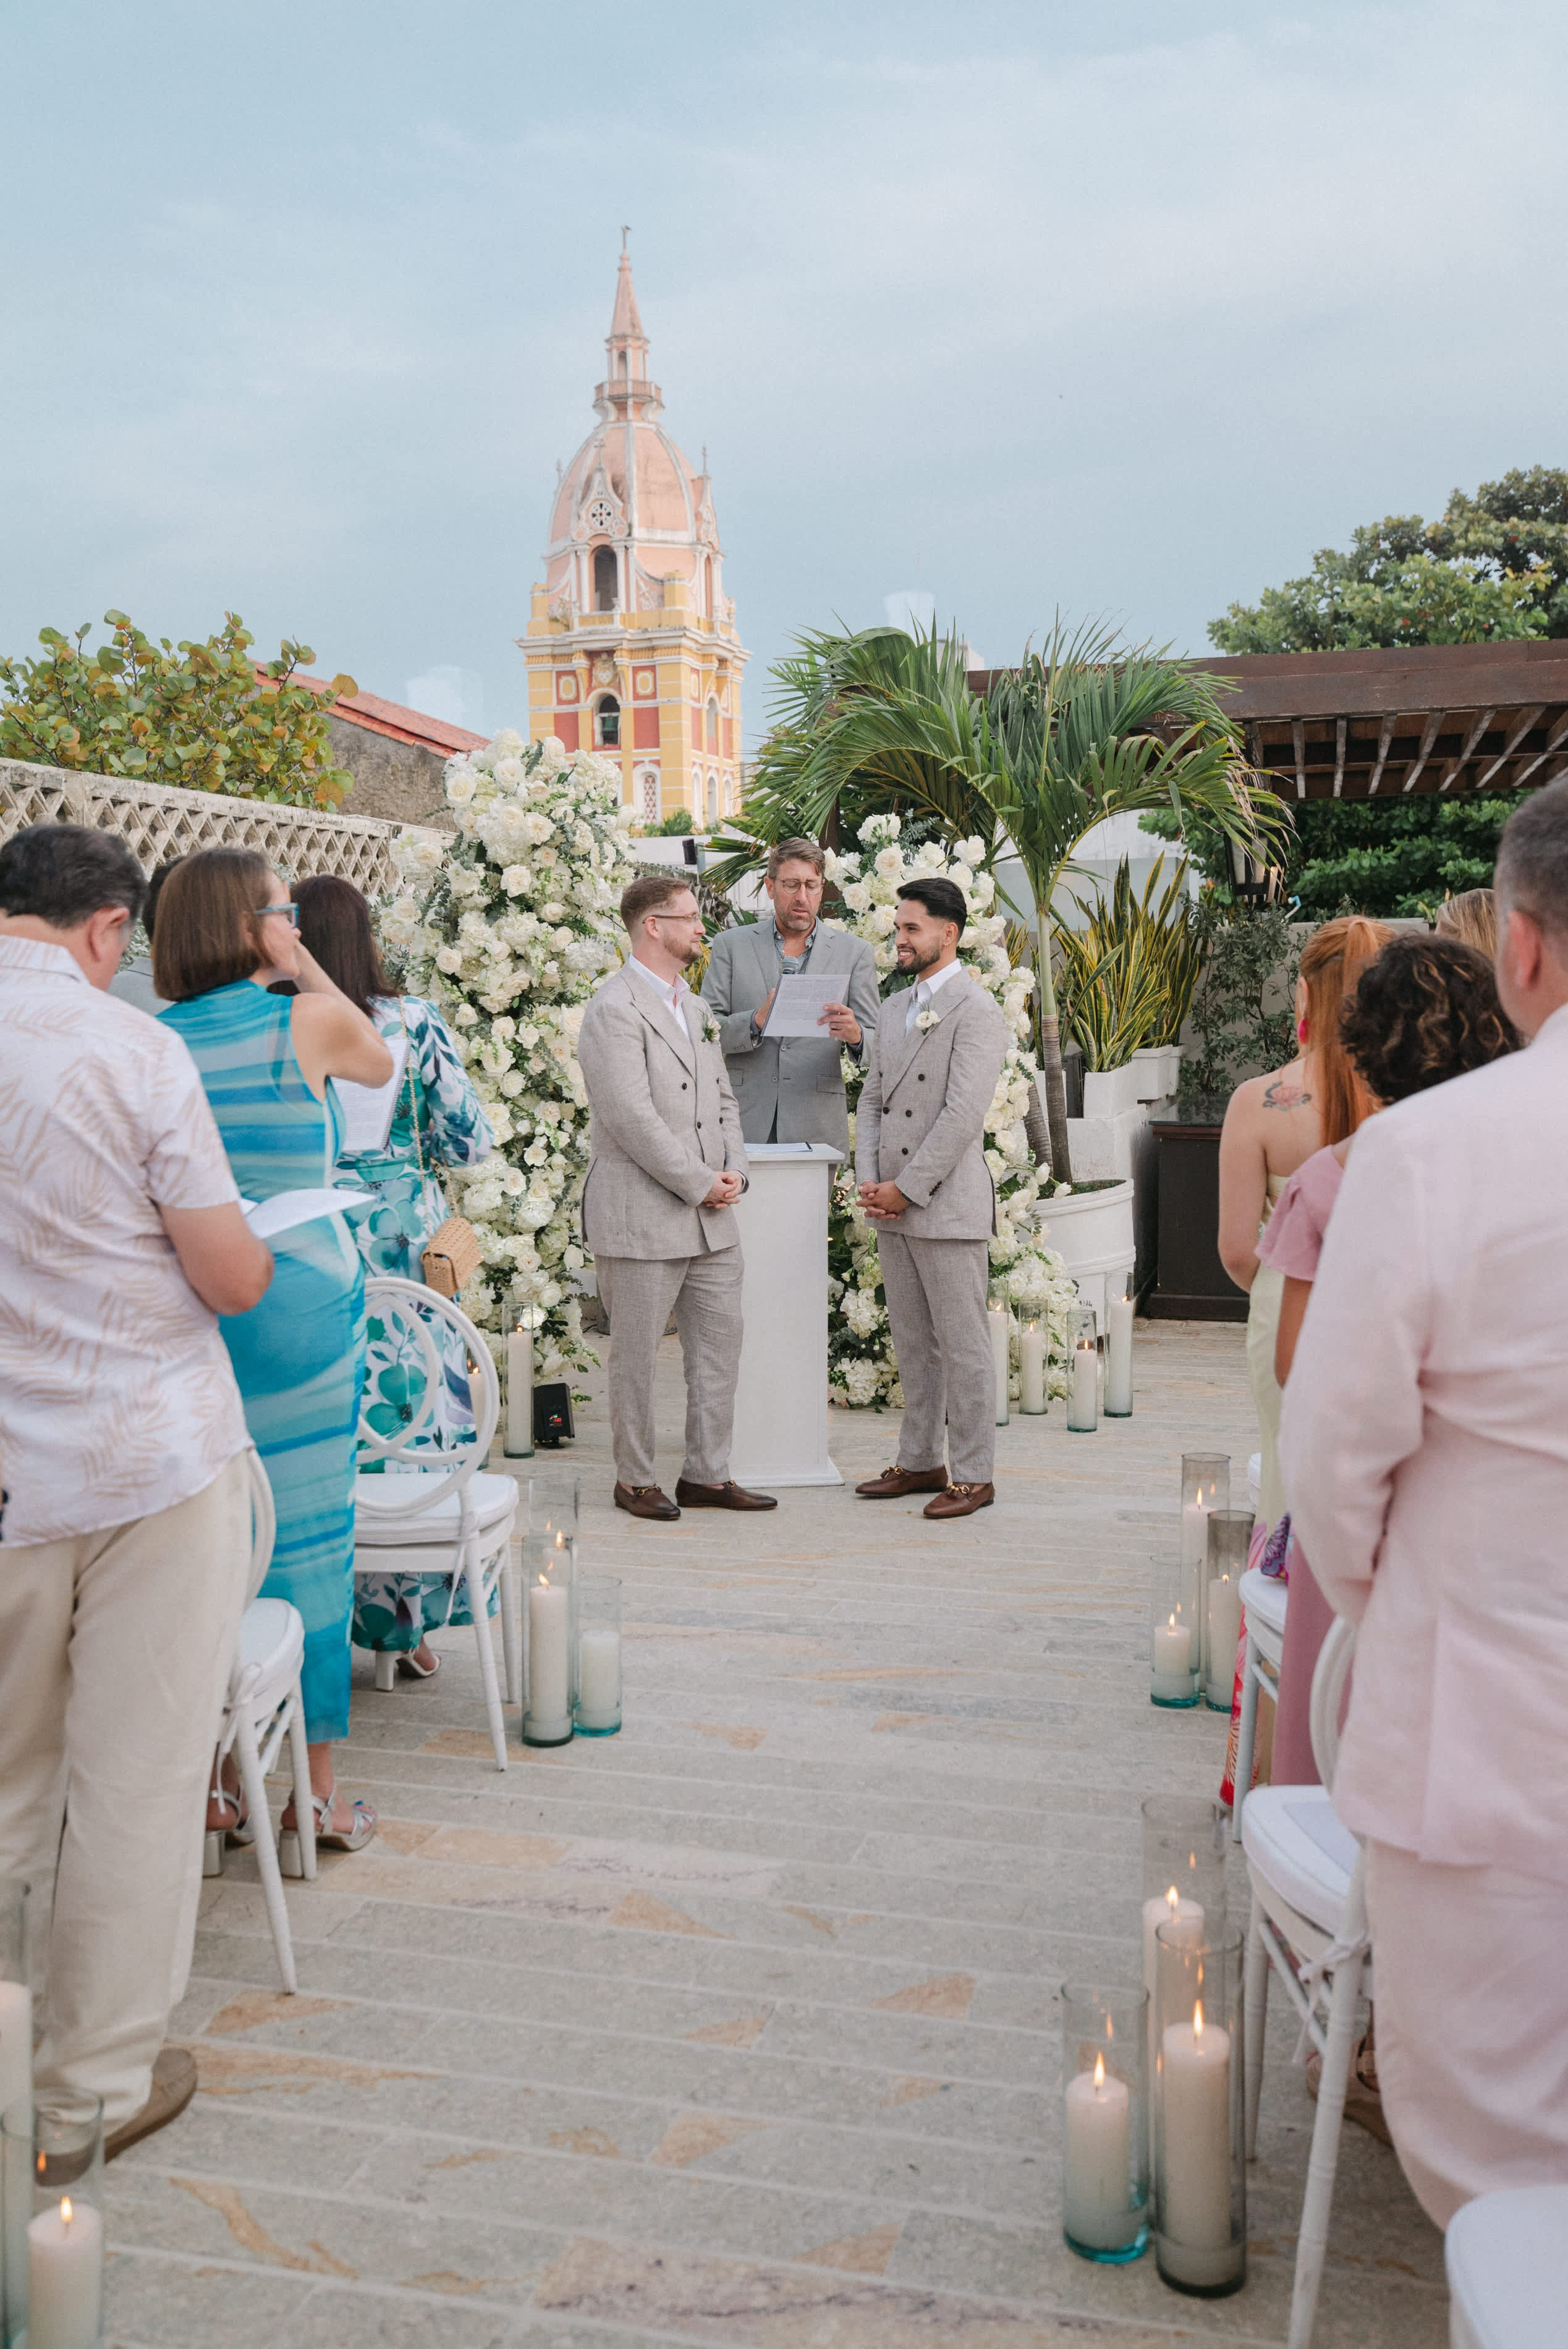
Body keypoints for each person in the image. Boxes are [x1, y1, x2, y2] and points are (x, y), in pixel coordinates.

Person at [1281, 776, 1568, 2227]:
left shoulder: (1434, 1149)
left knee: (1502, 2181)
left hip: (1494, 1725)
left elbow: (1333, 1451)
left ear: (1519, 944)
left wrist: (1398, 1596)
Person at [0, 823, 273, 2151]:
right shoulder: (130, 1049)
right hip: (139, 1463)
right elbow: (228, 1277)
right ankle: (83, 2090)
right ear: (111, 930)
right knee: (132, 1778)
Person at [156, 848, 393, 1868]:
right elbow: (378, 1062)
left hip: (189, 1304)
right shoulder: (307, 1018)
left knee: (207, 1529)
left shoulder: (150, 1039)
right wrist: (304, 962)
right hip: (300, 1300)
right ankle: (316, 1796)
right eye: (282, 908)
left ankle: (214, 1781)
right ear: (257, 924)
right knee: (309, 1537)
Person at [294, 873, 496, 1679]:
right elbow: (470, 1140)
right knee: (410, 1424)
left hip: (306, 1237)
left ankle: (314, 1610)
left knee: (327, 1423)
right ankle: (404, 1621)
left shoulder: (280, 1022)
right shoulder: (411, 1024)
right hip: (402, 1245)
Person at [577, 872, 775, 1521]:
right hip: (641, 1210)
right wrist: (699, 1181)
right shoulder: (612, 1008)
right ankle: (633, 1478)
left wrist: (737, 1173)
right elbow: (630, 1117)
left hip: (712, 1218)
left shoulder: (693, 1008)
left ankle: (707, 1474)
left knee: (719, 1348)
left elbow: (723, 1098)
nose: (700, 929)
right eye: (689, 918)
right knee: (635, 1355)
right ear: (652, 926)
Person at [1218, 915, 1391, 1529]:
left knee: (1287, 1479)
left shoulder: (1257, 1100)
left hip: (1281, 1305)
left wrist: (1276, 1288)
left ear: (1304, 992)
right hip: (1386, 1309)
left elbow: (1238, 1249)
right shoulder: (1408, 1096)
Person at [854, 877, 1009, 1521]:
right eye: (897, 927)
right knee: (913, 1342)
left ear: (948, 933)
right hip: (889, 1201)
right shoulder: (892, 1009)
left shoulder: (977, 1010)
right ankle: (920, 1459)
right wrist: (870, 1180)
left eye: (911, 927)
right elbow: (870, 1098)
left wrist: (905, 1188)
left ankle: (974, 1473)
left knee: (963, 1343)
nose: (899, 939)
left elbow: (960, 1117)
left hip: (943, 1204)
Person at [700, 836, 879, 1148]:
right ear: (770, 887)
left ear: (822, 888)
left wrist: (856, 1035)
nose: (802, 896)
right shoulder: (730, 945)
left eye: (811, 885)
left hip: (816, 1122)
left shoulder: (856, 953)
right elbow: (705, 1031)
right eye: (791, 884)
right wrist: (755, 1021)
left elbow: (879, 1046)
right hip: (742, 1120)